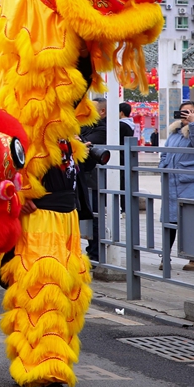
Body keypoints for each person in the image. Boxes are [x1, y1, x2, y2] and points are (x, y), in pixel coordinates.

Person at [158, 101, 194, 271]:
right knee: (169, 222)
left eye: (190, 112)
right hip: (171, 184)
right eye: (183, 112)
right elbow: (164, 153)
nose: (186, 115)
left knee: (191, 223)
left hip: (191, 185)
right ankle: (165, 257)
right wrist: (163, 167)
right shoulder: (174, 134)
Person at [80, 98, 107, 263]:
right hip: (85, 178)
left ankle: (95, 254)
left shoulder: (104, 129)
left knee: (95, 218)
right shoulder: (84, 126)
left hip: (96, 181)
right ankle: (91, 252)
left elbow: (89, 145)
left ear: (102, 112)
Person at [119, 102, 136, 212]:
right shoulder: (130, 124)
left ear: (121, 112)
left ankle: (123, 207)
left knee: (121, 183)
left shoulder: (120, 125)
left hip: (119, 156)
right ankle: (126, 207)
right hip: (126, 155)